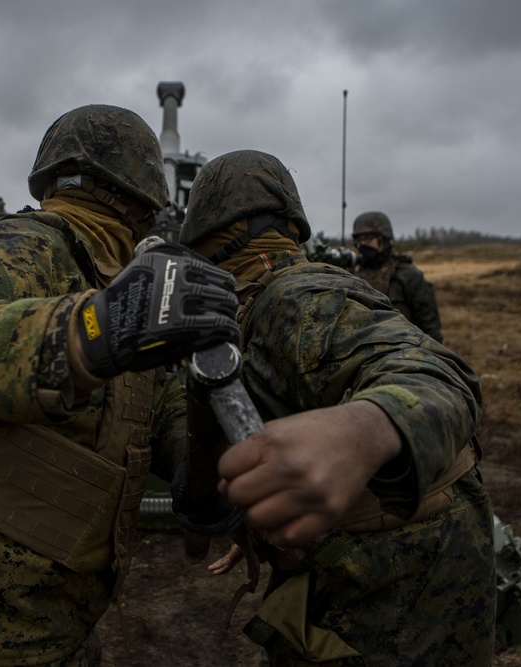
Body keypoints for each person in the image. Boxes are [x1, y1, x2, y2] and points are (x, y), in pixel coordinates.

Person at [0, 104, 239, 666]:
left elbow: (146, 395)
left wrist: (197, 460)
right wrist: (90, 331)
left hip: (53, 602)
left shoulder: (111, 271)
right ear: (143, 196)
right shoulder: (28, 247)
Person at [179, 151, 495, 666]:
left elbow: (440, 375)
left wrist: (361, 431)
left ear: (206, 232)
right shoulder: (256, 298)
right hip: (397, 569)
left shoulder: (293, 296)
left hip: (396, 592)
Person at [351, 211, 444, 343]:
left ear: (384, 240)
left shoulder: (407, 275)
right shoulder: (351, 274)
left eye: (368, 239)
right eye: (359, 240)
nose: (362, 245)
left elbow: (431, 330)